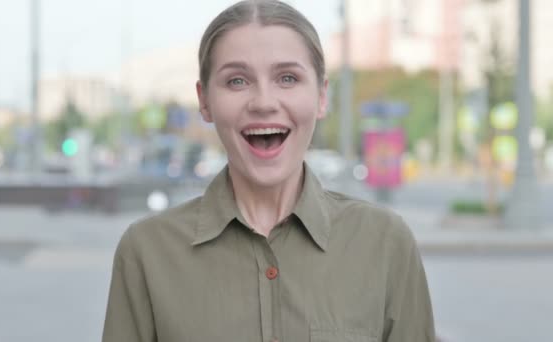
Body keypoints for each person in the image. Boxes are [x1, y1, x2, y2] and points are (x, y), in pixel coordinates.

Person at [102, 1, 436, 341]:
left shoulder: (384, 243)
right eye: (236, 81)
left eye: (287, 78)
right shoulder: (147, 251)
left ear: (321, 96)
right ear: (205, 101)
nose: (263, 101)